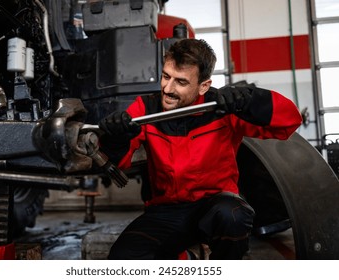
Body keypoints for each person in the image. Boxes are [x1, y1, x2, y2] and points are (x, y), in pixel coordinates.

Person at [98, 38, 302, 260]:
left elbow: (289, 121)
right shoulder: (146, 108)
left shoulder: (223, 107)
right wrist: (115, 138)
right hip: (168, 210)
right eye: (166, 76)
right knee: (122, 259)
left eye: (181, 82)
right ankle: (186, 258)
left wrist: (250, 100)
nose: (167, 88)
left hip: (216, 206)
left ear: (204, 86)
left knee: (232, 216)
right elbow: (118, 163)